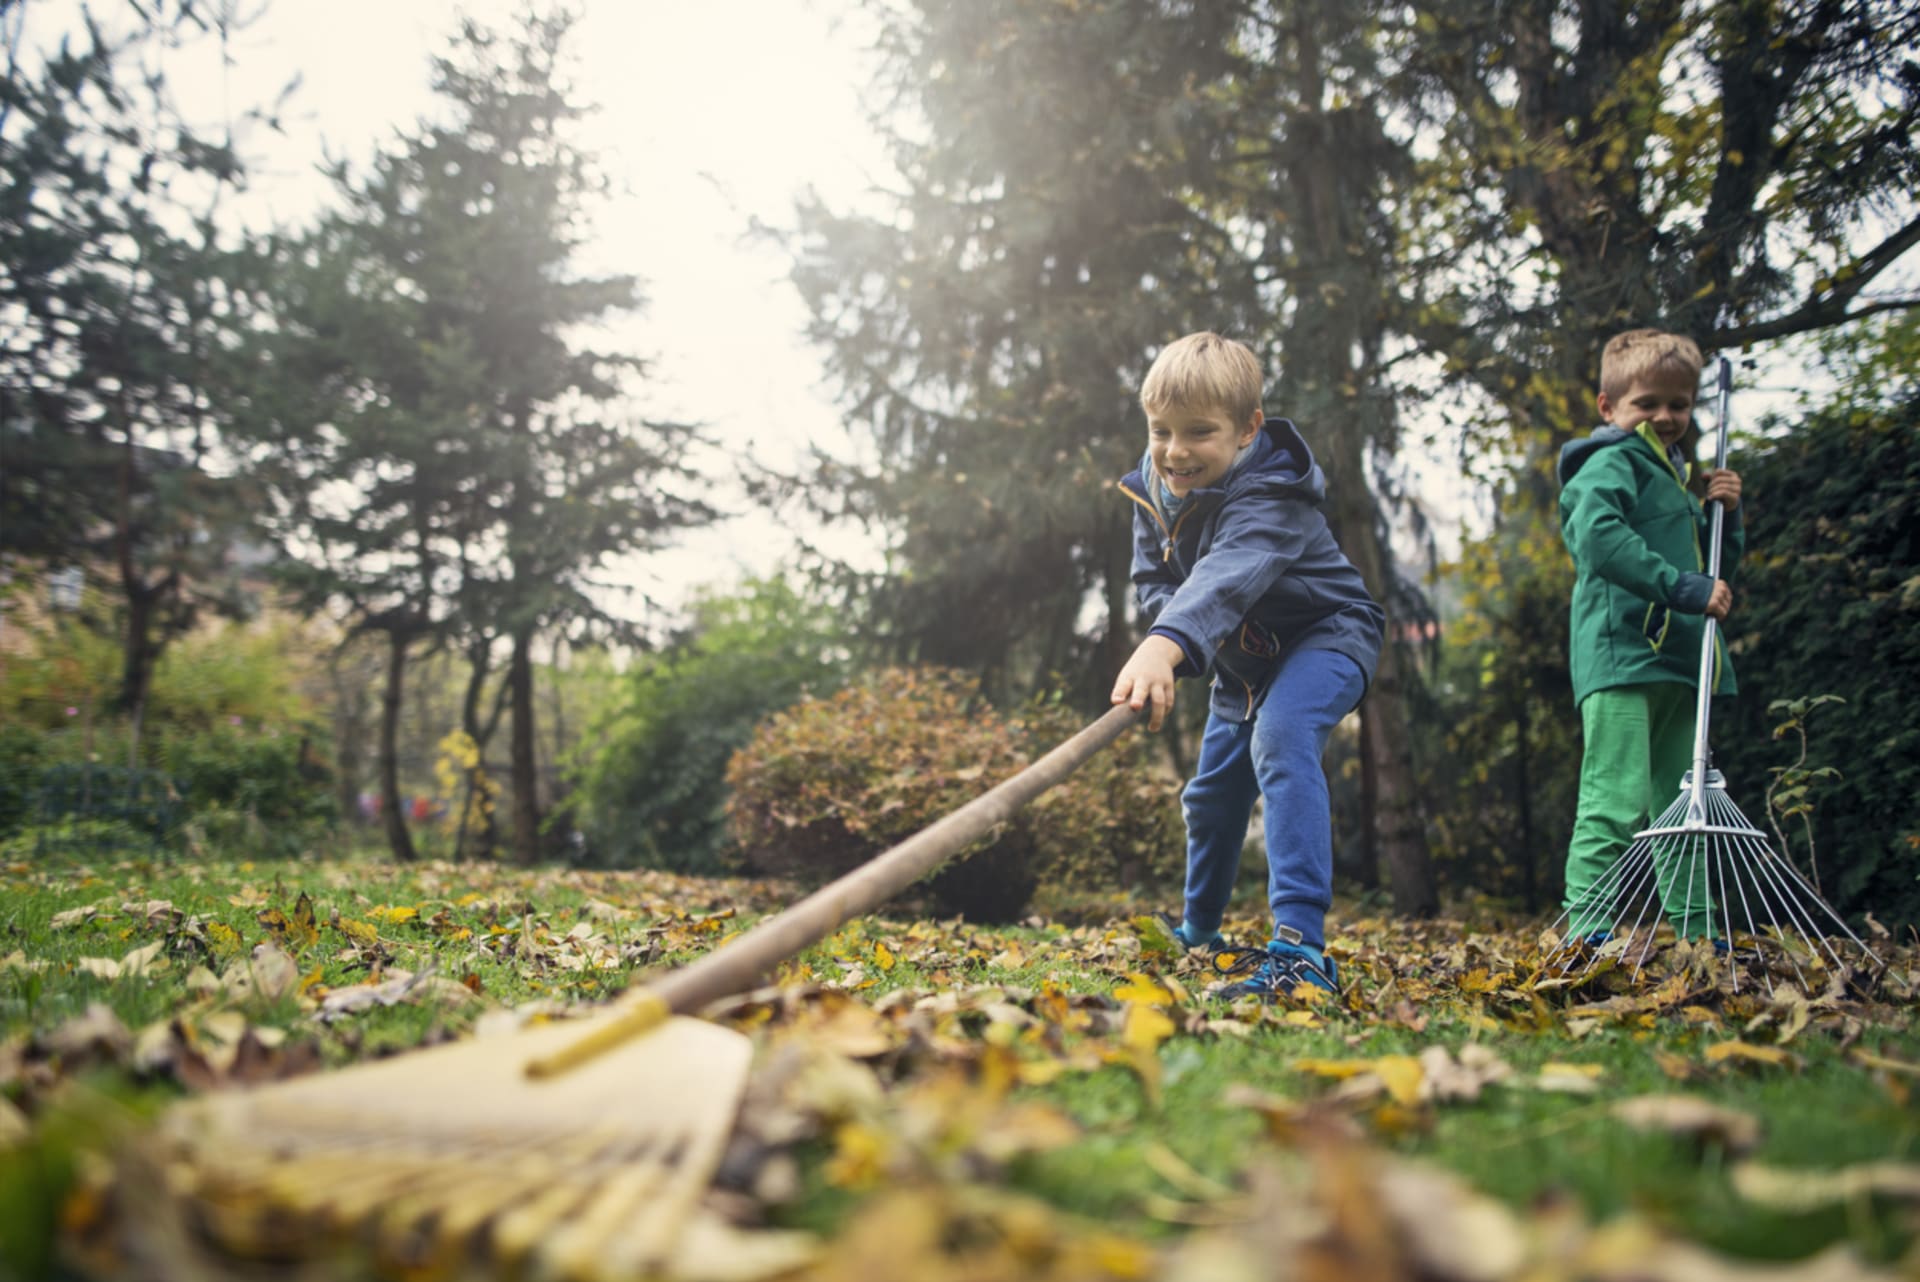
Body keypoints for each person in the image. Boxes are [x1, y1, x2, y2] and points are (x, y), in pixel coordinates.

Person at [1112, 331, 1384, 1001]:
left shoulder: (1275, 494)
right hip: (1245, 662)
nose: (1176, 452)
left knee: (1283, 735)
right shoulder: (1154, 489)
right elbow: (1153, 576)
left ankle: (1300, 952)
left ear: (1247, 430)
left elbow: (1228, 577)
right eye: (1161, 431)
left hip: (1326, 635)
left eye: (1199, 432)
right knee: (1211, 797)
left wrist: (1165, 641)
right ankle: (1198, 933)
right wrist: (1166, 631)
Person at [1557, 328, 1744, 944]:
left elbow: (1714, 577)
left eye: (1680, 404)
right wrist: (1681, 587)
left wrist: (1724, 516)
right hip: (1623, 655)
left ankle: (1698, 934)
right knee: (1613, 801)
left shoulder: (1677, 479)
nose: (1666, 416)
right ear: (1610, 408)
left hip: (1682, 665)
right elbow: (1599, 539)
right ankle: (1586, 933)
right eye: (1648, 403)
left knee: (1680, 810)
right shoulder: (1608, 463)